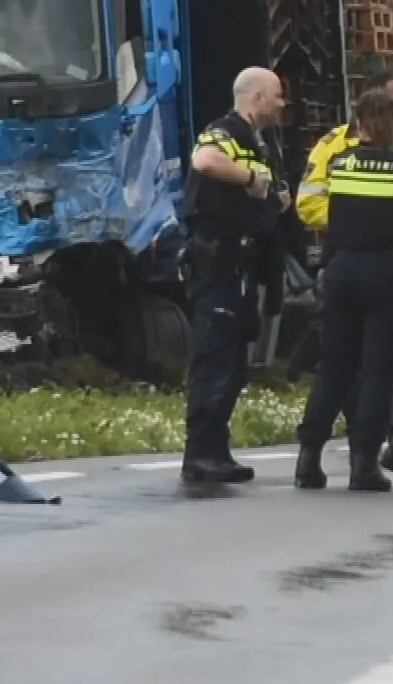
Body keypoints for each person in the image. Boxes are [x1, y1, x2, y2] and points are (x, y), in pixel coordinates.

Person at [296, 69, 393, 489]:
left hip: (342, 267)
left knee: (335, 367)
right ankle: (365, 462)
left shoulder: (342, 162)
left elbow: (329, 201)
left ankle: (308, 457)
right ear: (388, 120)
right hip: (390, 272)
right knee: (380, 371)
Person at [178, 67, 290, 484]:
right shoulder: (225, 131)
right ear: (257, 97)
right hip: (218, 263)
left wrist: (274, 201)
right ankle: (200, 454)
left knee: (234, 363)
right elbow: (205, 161)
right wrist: (251, 179)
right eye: (277, 95)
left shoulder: (260, 141)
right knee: (215, 359)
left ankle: (217, 450)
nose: (282, 104)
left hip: (241, 265)